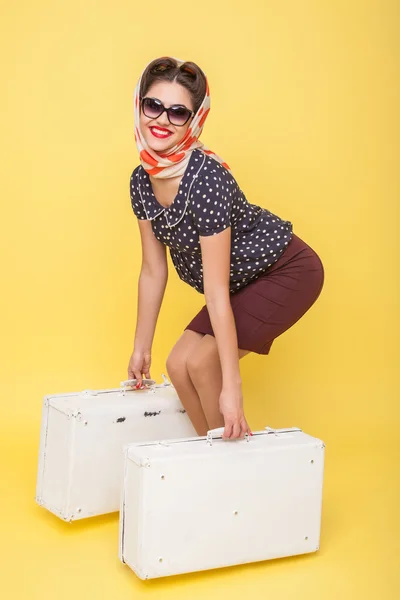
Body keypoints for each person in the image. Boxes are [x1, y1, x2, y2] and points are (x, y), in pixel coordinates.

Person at [127, 56, 324, 440]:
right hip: (243, 279)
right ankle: (213, 461)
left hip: (286, 270)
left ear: (195, 119)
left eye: (178, 112)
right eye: (153, 105)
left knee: (201, 363)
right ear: (139, 105)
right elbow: (153, 270)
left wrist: (232, 389)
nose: (162, 120)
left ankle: (235, 474)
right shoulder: (141, 180)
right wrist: (140, 348)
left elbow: (216, 293)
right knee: (177, 363)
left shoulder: (207, 180)